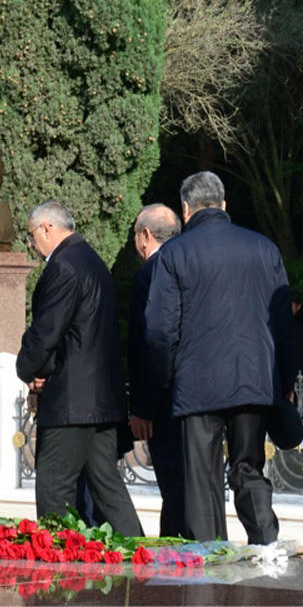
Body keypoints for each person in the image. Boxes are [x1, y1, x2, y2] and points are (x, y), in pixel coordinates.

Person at [143, 171, 292, 544]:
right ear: (224, 204)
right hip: (254, 380)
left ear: (186, 209)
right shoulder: (264, 248)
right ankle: (266, 544)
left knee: (201, 479)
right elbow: (283, 323)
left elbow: (160, 330)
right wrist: (284, 382)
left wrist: (163, 381)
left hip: (196, 384)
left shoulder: (174, 253)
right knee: (249, 468)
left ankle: (209, 560)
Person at [16, 200, 142, 536]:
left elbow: (47, 333)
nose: (32, 245)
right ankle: (144, 557)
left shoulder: (64, 266)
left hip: (72, 400)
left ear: (47, 228)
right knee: (106, 485)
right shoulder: (92, 260)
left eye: (31, 236)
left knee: (53, 485)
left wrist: (29, 371)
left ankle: (56, 562)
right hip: (100, 398)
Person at [127, 203, 185, 537]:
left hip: (165, 397)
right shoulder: (192, 263)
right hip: (201, 394)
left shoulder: (150, 273)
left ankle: (175, 551)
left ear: (145, 235)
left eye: (136, 232)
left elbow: (148, 342)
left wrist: (142, 407)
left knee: (172, 481)